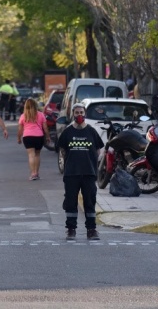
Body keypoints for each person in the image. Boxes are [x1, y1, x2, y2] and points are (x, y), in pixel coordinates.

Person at [55, 102, 104, 241]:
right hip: (71, 173)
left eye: (81, 113)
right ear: (73, 114)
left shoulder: (91, 131)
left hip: (89, 173)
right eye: (77, 113)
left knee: (90, 201)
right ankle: (71, 230)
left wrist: (92, 163)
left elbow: (98, 150)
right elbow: (62, 149)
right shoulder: (68, 132)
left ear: (85, 114)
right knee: (71, 202)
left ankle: (91, 230)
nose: (79, 115)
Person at [17, 98, 49, 180]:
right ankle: (36, 173)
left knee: (31, 155)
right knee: (37, 155)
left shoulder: (23, 116)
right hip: (39, 136)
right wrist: (48, 137)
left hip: (27, 137)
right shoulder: (41, 114)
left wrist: (19, 138)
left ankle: (32, 173)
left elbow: (20, 129)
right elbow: (45, 128)